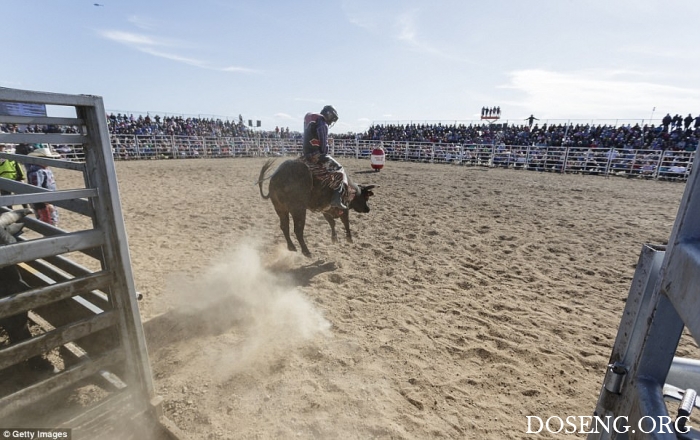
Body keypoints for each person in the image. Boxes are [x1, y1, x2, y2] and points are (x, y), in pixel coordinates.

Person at [301, 105, 348, 210]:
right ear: (329, 115)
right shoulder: (323, 124)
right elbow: (323, 149)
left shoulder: (313, 122)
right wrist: (327, 143)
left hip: (306, 154)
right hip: (316, 155)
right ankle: (336, 198)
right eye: (332, 118)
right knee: (340, 169)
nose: (332, 121)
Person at [26, 145, 61, 226]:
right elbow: (36, 189)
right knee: (48, 222)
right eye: (47, 158)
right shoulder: (37, 172)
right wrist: (46, 203)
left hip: (48, 200)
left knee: (51, 221)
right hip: (44, 203)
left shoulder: (44, 170)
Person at [0, 144, 26, 208]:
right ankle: (10, 211)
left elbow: (17, 165)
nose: (1, 148)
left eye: (2, 146)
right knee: (7, 199)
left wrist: (21, 176)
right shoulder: (9, 155)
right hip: (3, 181)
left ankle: (26, 208)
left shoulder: (10, 155)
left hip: (15, 178)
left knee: (20, 196)